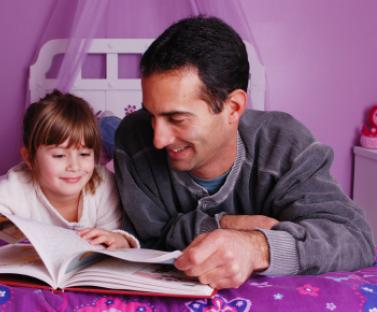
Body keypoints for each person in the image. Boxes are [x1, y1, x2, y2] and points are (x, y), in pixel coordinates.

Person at [114, 15, 375, 289]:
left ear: (234, 108)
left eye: (177, 119)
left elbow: (354, 238)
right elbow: (149, 240)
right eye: (151, 114)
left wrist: (256, 246)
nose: (158, 139)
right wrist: (228, 223)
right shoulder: (134, 140)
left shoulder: (285, 144)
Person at [0, 90, 138, 259]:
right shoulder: (16, 189)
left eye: (85, 154)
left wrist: (118, 239)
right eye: (59, 155)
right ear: (30, 158)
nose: (75, 166)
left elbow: (114, 232)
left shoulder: (103, 185)